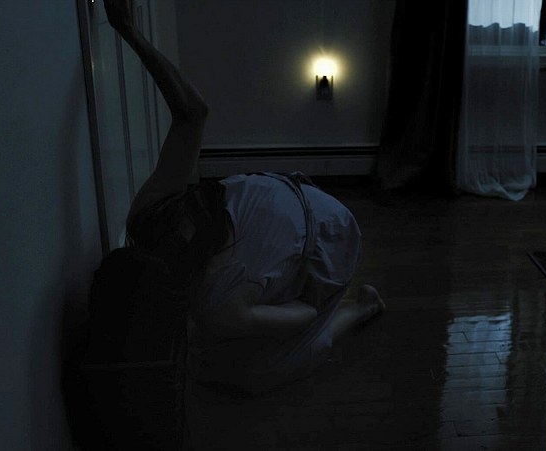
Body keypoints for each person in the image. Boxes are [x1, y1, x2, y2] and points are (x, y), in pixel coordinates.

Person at [102, 0, 384, 394]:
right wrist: (128, 31)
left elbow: (306, 312)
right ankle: (347, 301)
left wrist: (129, 31)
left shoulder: (212, 298)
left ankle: (362, 308)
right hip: (287, 198)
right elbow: (192, 113)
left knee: (261, 371)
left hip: (333, 236)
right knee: (236, 350)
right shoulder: (154, 218)